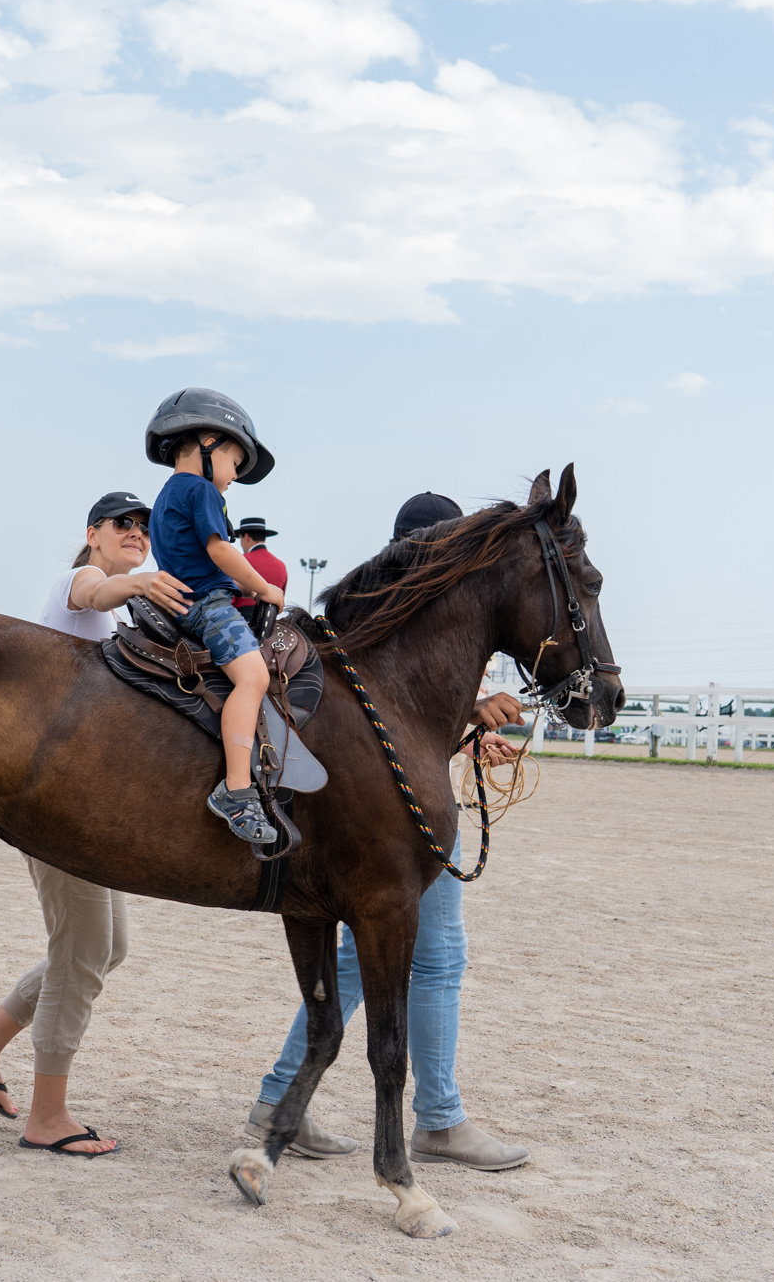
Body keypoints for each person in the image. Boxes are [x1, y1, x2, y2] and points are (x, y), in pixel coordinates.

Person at [243, 490, 533, 1170]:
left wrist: (467, 733)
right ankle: (436, 1118)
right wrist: (468, 715)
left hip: (408, 798)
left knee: (375, 955)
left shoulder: (400, 609)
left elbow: (409, 715)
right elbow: (382, 710)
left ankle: (285, 1094)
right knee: (429, 954)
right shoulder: (398, 613)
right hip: (398, 813)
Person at [0, 491, 192, 1157]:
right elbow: (92, 592)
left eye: (144, 528)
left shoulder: (120, 620)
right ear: (93, 534)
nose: (135, 533)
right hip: (52, 802)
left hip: (87, 804)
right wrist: (134, 584)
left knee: (107, 947)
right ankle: (47, 1115)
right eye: (122, 525)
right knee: (82, 952)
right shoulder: (78, 583)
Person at [142, 388, 285, 846]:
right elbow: (219, 549)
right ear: (208, 442)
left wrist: (242, 583)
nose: (235, 477)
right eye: (235, 463)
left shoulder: (168, 493)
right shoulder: (201, 489)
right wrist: (263, 587)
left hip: (191, 599)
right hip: (208, 608)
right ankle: (238, 790)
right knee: (253, 678)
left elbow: (196, 559)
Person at [230, 516, 288, 617]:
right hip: (270, 621)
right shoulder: (281, 565)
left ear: (246, 537)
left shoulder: (240, 561)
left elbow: (230, 596)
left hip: (240, 618)